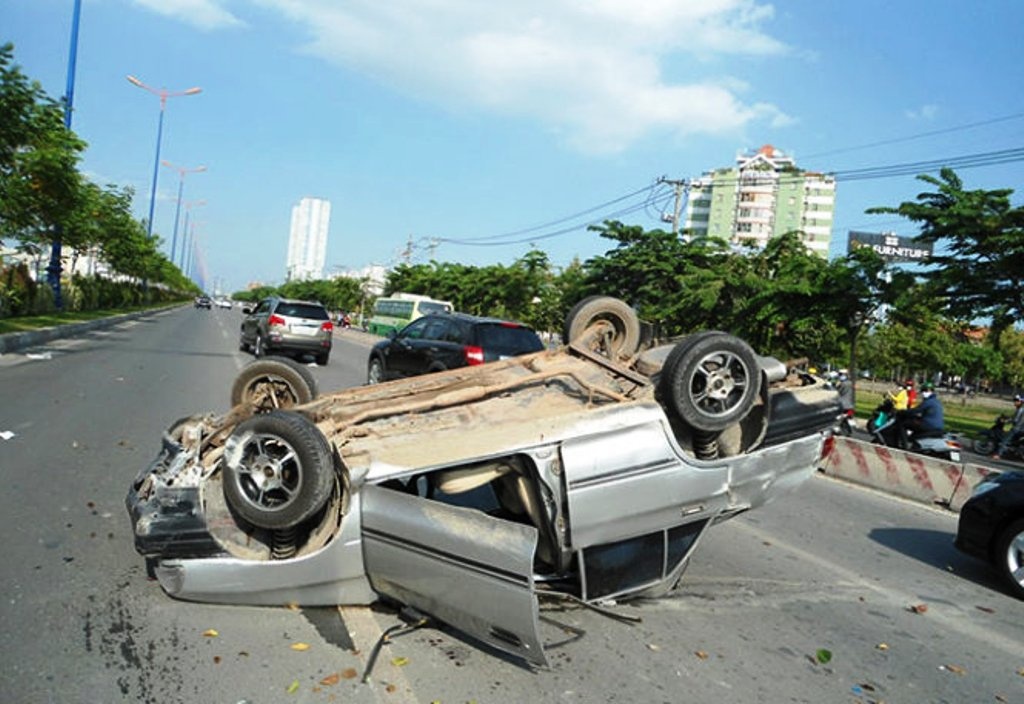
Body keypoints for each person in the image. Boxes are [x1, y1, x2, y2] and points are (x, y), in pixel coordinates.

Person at [896, 381, 944, 446]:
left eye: (925, 391)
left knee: (903, 424)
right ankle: (912, 441)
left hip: (929, 425)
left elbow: (916, 410)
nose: (923, 393)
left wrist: (902, 412)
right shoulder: (937, 402)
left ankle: (905, 445)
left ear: (931, 391)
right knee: (915, 423)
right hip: (938, 426)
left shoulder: (928, 402)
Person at [993, 395, 1024, 460]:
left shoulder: (1020, 410)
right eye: (1014, 400)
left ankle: (998, 454)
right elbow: (1013, 417)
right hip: (1020, 429)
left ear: (1021, 402)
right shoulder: (1020, 410)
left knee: (1004, 440)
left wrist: (1005, 421)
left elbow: (1015, 420)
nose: (1015, 402)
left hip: (1017, 429)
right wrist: (1007, 417)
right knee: (1012, 440)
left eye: (1016, 401)